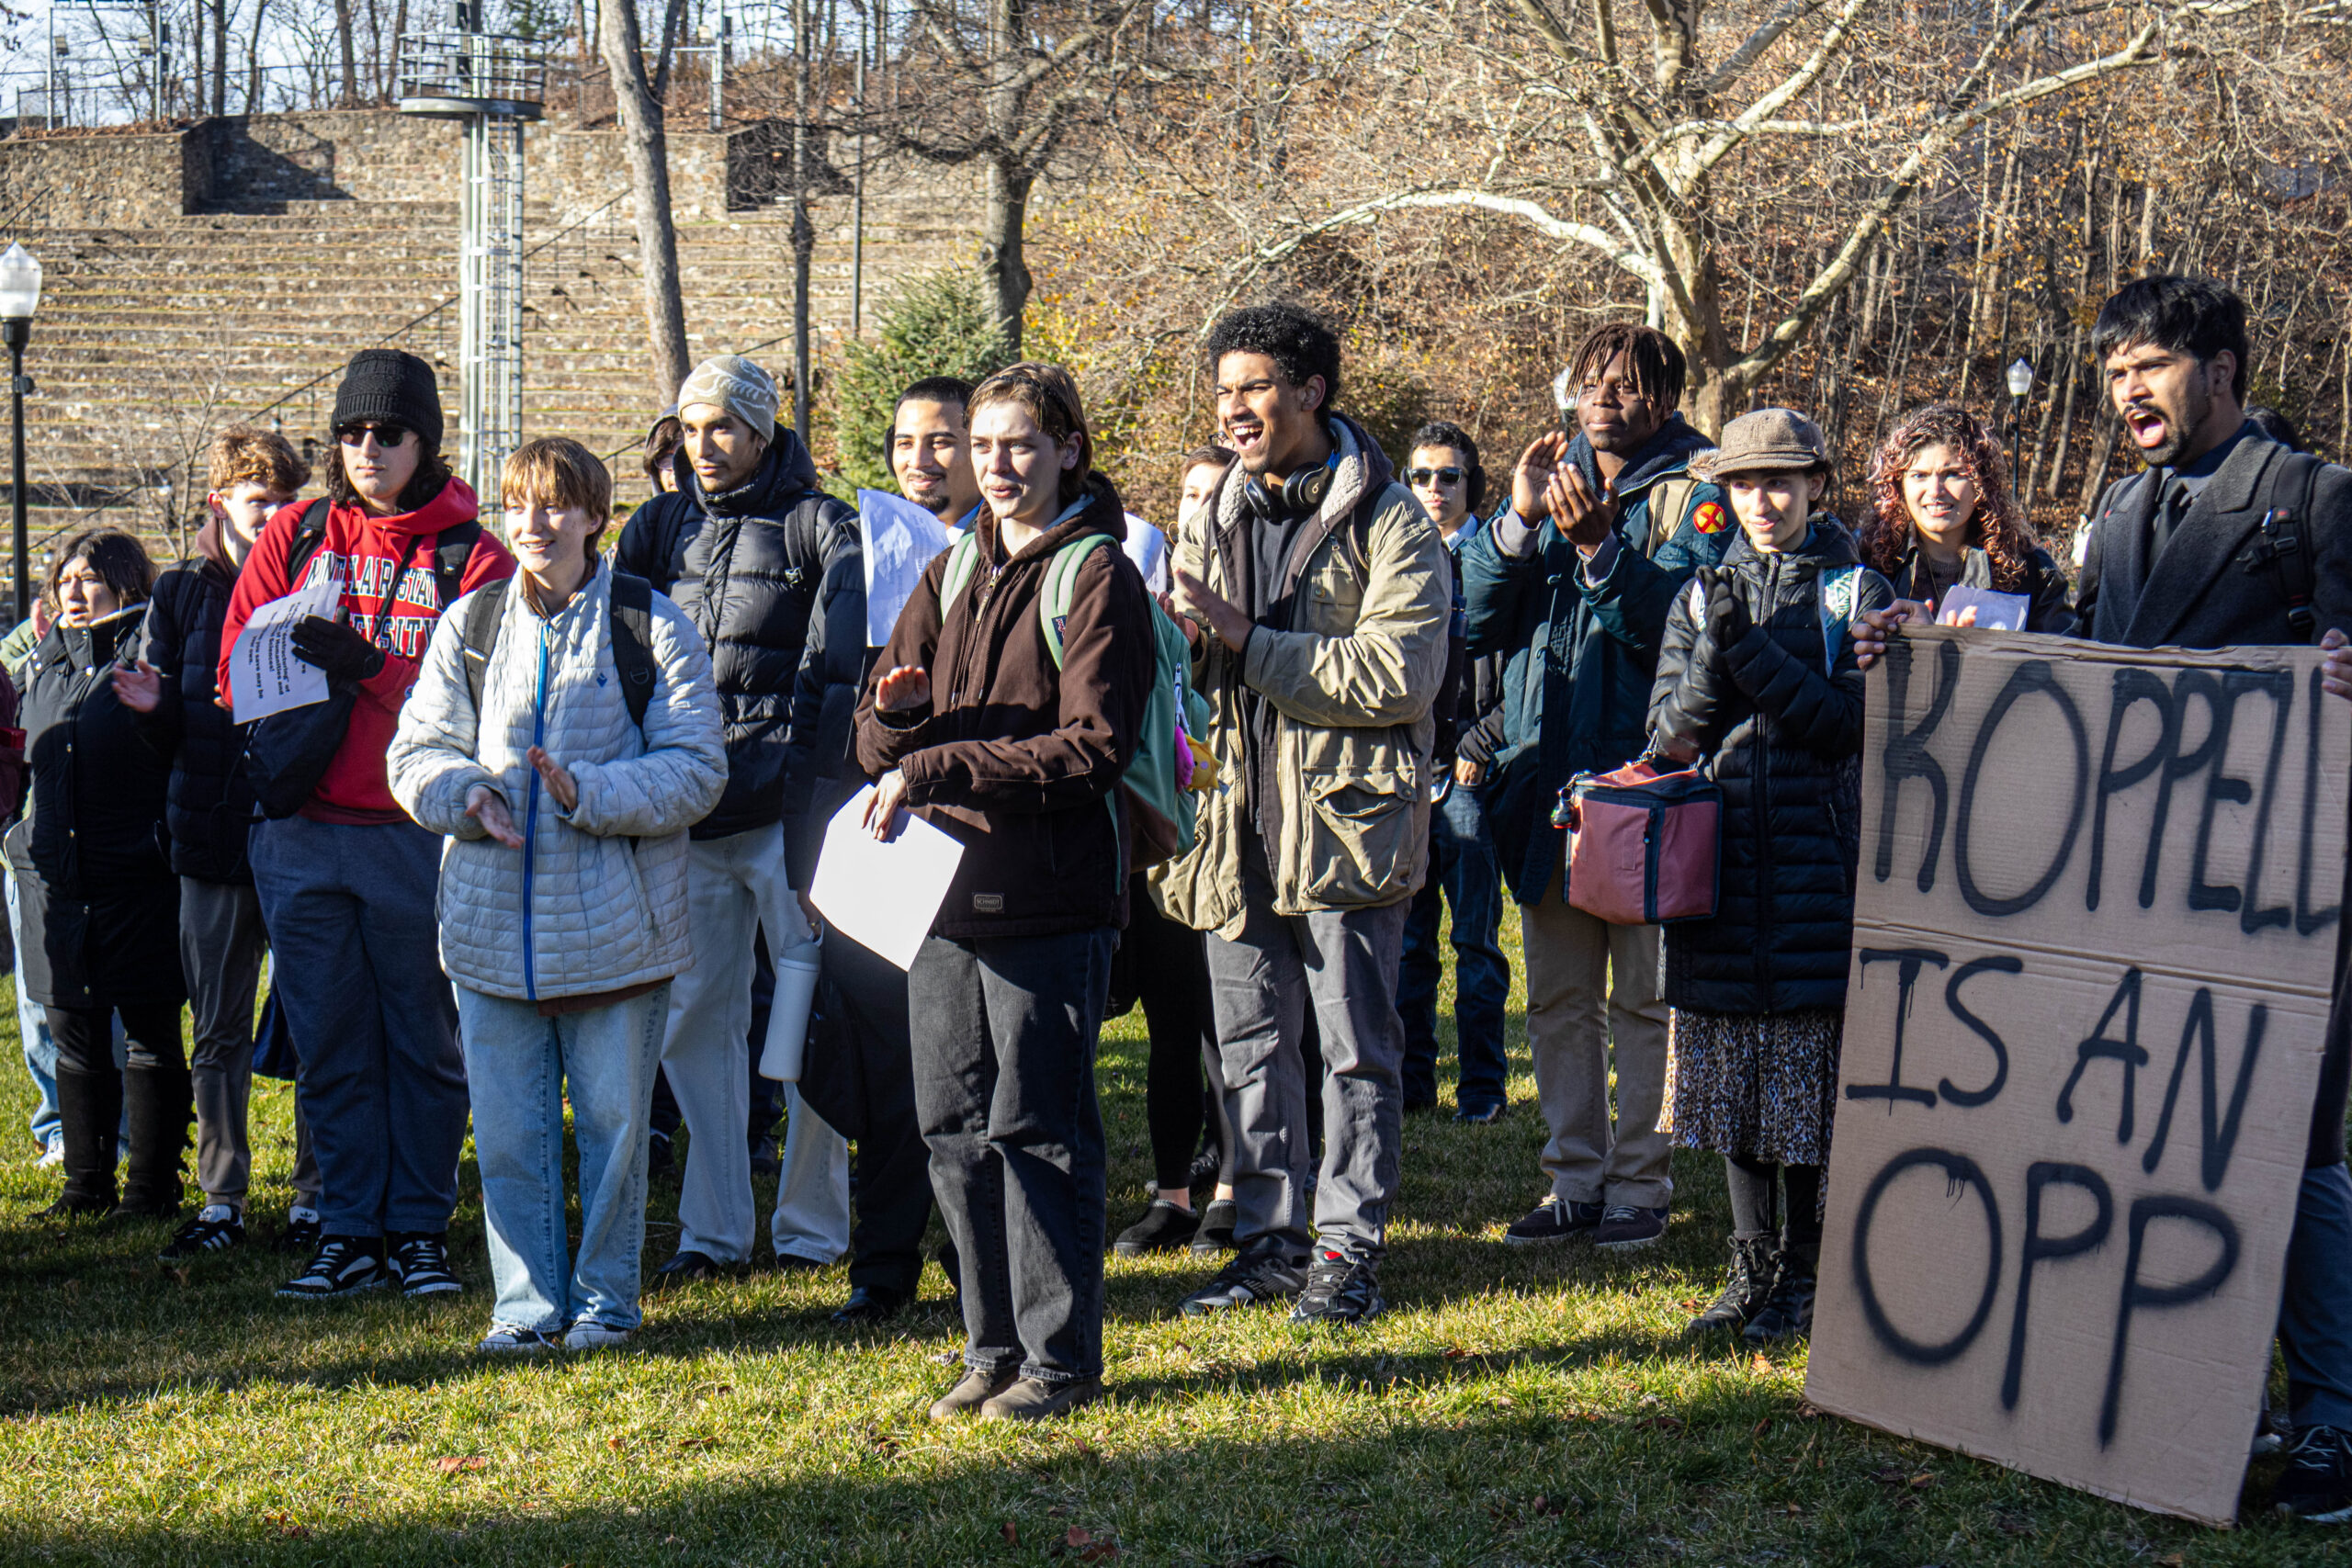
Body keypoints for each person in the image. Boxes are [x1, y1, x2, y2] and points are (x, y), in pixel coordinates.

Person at [1853, 276, 2352, 1518]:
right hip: (2141, 889)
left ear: (2225, 367)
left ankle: (2335, 1415)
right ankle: (2169, 1387)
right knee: (2155, 1136)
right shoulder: (2119, 513)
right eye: (2115, 369)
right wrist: (1925, 664)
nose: (2128, 388)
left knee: (2290, 1143)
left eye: (2155, 363)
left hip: (2284, 897)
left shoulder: (2316, 502)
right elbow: (2080, 682)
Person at [854, 361, 1155, 1420]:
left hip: (1049, 897)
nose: (997, 465)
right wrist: (893, 720)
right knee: (953, 1130)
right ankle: (989, 1349)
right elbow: (872, 733)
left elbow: (1094, 749)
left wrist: (938, 764)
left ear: (1068, 448)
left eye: (1020, 443)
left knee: (1040, 1129)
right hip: (937, 898)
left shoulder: (1097, 575)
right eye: (982, 446)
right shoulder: (949, 570)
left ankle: (1060, 1360)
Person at [390, 438, 726, 1352]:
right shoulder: (472, 623)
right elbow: (414, 754)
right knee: (507, 1138)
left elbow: (698, 770)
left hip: (619, 930)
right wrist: (468, 796)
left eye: (553, 506)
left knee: (616, 1138)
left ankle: (606, 1305)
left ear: (592, 515)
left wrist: (590, 795)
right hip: (492, 930)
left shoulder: (649, 626)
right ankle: (525, 1309)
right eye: (517, 506)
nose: (533, 524)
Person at [1159, 303, 1452, 1325]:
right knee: (1247, 1045)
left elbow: (1398, 677)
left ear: (1311, 392)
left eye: (1254, 387)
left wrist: (1242, 639)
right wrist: (1178, 642)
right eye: (1225, 390)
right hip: (1231, 829)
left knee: (1354, 1051)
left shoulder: (1393, 521)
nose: (1234, 409)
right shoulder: (1214, 508)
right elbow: (1199, 667)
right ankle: (1269, 1246)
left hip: (1346, 826)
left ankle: (1345, 1250)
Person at [220, 348, 516, 1299]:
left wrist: (372, 669)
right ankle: (347, 1229)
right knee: (331, 1038)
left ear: (424, 441)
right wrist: (298, 676)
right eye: (350, 432)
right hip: (302, 832)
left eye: (387, 433)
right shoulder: (299, 535)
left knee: (423, 1040)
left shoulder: (473, 555)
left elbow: (490, 704)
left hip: (414, 832)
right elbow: (234, 670)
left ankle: (420, 1228)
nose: (366, 449)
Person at [1461, 323, 1734, 1254]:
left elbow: (1691, 631)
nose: (1604, 400)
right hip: (1546, 787)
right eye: (1590, 383)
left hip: (1645, 786)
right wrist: (1519, 522)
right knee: (1559, 1000)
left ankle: (1639, 1186)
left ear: (1667, 398)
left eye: (1627, 387)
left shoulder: (1702, 490)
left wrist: (1602, 550)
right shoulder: (1552, 473)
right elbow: (1472, 619)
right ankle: (1572, 1182)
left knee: (1644, 1001)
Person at [1645, 409, 1892, 1344]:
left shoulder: (1855, 590)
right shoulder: (1696, 592)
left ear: (1816, 487)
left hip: (1813, 864)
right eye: (1744, 484)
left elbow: (1844, 726)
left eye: (1781, 482)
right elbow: (1670, 735)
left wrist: (1744, 648)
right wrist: (1718, 643)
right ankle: (1746, 1270)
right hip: (1717, 865)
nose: (1762, 500)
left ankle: (1805, 1274)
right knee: (1731, 1081)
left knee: (1803, 1085)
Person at [615, 353, 854, 1287]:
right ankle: (712, 1233)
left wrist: (811, 797)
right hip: (688, 818)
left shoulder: (820, 525)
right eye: (690, 427)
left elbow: (838, 677)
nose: (705, 446)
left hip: (786, 818)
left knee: (803, 1026)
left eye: (724, 427)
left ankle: (810, 1228)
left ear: (762, 431)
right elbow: (619, 654)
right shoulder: (656, 526)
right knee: (695, 1025)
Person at [784, 374, 973, 1325]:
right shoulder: (862, 555)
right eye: (906, 441)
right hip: (873, 839)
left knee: (964, 1061)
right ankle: (884, 1261)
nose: (921, 459)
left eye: (942, 440)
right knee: (886, 1061)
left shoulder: (1013, 555)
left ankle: (974, 1247)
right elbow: (824, 695)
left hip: (976, 842)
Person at [114, 425, 311, 1258]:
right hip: (208, 837)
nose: (271, 516)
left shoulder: (315, 582)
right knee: (221, 1028)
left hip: (301, 831)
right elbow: (164, 723)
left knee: (313, 1021)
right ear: (219, 503)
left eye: (283, 501)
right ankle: (223, 1195)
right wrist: (156, 713)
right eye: (256, 499)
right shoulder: (183, 592)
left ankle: (317, 1192)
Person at [9, 531, 187, 1221]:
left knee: (147, 1032)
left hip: (135, 877)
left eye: (91, 579)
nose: (76, 592)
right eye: (66, 579)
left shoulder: (151, 655)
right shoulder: (43, 664)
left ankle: (150, 1189)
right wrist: (18, 843)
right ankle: (85, 1184)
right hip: (55, 880)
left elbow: (183, 738)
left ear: (126, 583)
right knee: (73, 1031)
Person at [1112, 443, 1241, 1258]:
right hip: (1166, 840)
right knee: (1169, 1023)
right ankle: (1172, 1193)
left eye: (1212, 495)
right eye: (1186, 495)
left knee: (1223, 1026)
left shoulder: (1256, 591)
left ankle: (1235, 1183)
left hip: (1234, 833)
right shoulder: (1146, 601)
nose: (1197, 508)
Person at [1394, 421, 1510, 1122]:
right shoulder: (1394, 559)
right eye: (1421, 476)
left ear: (1473, 486)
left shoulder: (1496, 561)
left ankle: (1482, 1090)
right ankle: (1411, 1086)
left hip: (1469, 774)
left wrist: (1481, 743)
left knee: (1476, 943)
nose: (1433, 488)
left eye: (1448, 476)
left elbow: (1521, 670)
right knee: (1408, 945)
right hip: (1407, 773)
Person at [1854, 401, 2071, 632]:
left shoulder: (2032, 572)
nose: (1935, 491)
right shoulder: (1864, 559)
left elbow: (2062, 658)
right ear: (1899, 485)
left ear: (1980, 483)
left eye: (1952, 474)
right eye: (1919, 475)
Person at [890, 376, 983, 531]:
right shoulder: (861, 542)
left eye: (939, 443)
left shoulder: (1013, 546)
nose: (917, 462)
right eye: (905, 444)